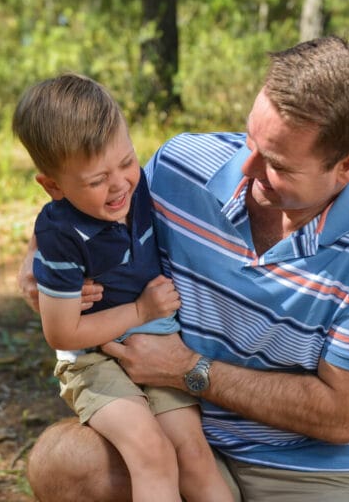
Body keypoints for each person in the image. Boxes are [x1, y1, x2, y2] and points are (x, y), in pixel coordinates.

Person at [19, 36, 349, 502]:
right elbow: (87, 199)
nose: (245, 166)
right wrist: (36, 259)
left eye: (275, 163)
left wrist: (186, 370)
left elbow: (341, 415)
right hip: (177, 430)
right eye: (250, 138)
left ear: (348, 167)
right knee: (63, 466)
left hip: (309, 467)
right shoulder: (181, 167)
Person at [12, 73, 233, 502]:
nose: (119, 186)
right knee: (151, 452)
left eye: (127, 162)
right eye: (97, 181)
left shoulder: (139, 184)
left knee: (192, 453)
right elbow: (61, 333)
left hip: (160, 343)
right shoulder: (60, 235)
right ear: (53, 186)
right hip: (95, 359)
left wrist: (149, 320)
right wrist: (140, 312)